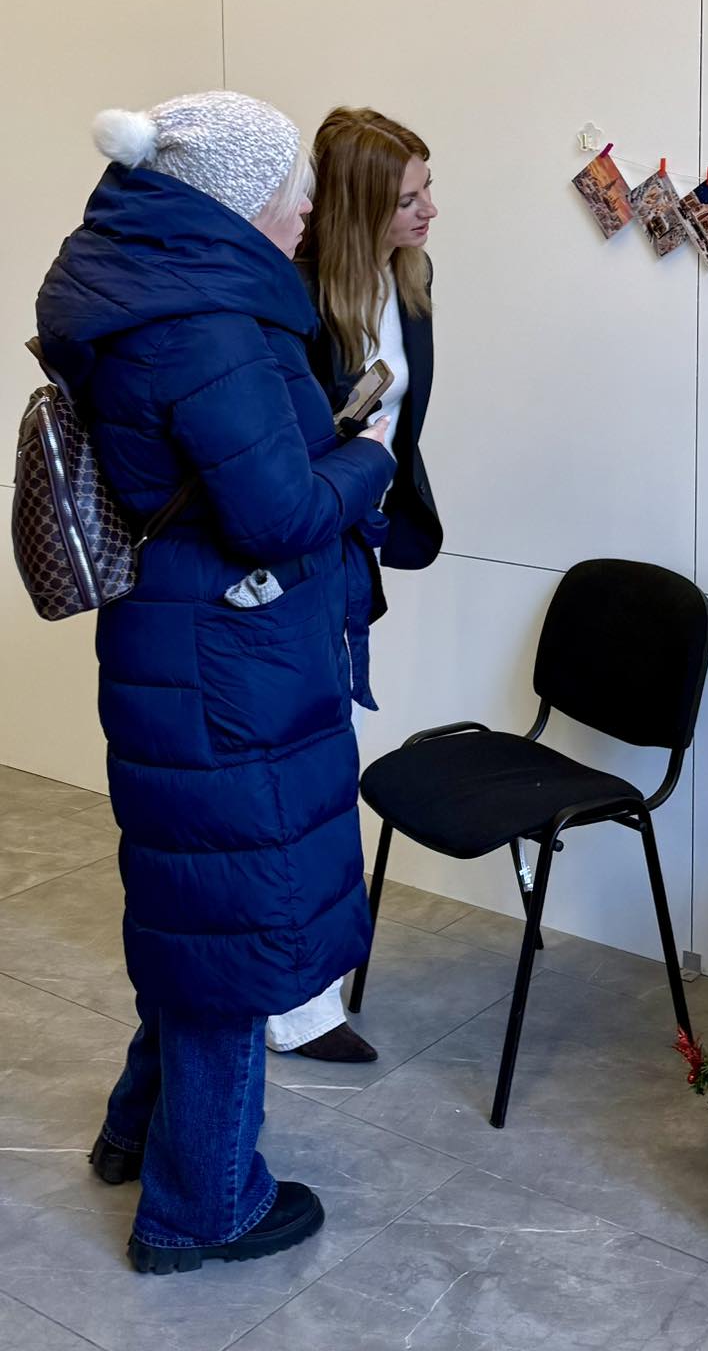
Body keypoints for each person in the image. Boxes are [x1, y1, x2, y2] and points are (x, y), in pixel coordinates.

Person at [34, 92, 395, 1272]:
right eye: (293, 188)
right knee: (234, 937)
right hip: (228, 661)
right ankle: (203, 1205)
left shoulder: (151, 289)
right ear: (236, 195)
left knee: (202, 913)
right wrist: (369, 458)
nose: (306, 209)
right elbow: (277, 513)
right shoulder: (207, 323)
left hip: (187, 643)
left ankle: (139, 1136)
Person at [264, 106, 440, 1064]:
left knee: (329, 763)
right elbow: (286, 457)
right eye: (409, 198)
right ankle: (294, 1007)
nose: (429, 211)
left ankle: (310, 993)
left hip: (350, 544)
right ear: (359, 207)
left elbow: (398, 424)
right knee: (305, 777)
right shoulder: (291, 301)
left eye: (427, 189)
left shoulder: (410, 280)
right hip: (292, 555)